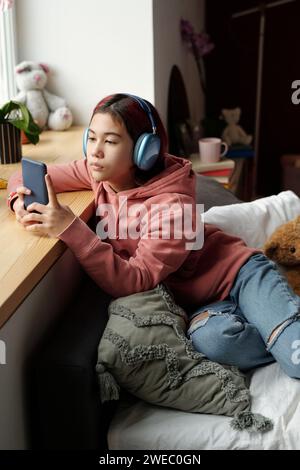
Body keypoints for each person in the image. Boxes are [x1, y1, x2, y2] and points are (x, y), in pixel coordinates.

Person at [7, 93, 300, 379]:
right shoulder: (97, 171)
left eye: (110, 141)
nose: (95, 150)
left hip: (241, 276)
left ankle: (280, 323)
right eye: (91, 137)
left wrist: (71, 229)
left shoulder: (173, 205)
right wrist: (20, 202)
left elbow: (136, 279)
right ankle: (274, 325)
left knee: (296, 359)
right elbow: (22, 176)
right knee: (217, 344)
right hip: (203, 305)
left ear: (143, 151)